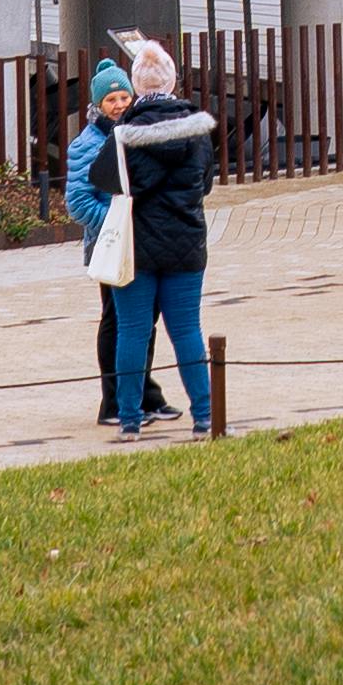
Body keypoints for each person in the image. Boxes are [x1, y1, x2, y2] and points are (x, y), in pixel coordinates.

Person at [102, 42, 220, 437]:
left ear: (135, 85)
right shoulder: (198, 130)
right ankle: (205, 416)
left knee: (132, 331)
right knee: (187, 330)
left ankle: (130, 420)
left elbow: (108, 183)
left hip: (136, 246)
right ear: (172, 81)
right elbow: (204, 184)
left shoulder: (123, 134)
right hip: (186, 240)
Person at [64, 56, 177, 428]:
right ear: (98, 104)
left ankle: (145, 393)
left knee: (145, 319)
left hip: (139, 243)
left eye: (124, 98)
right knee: (117, 321)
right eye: (111, 100)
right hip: (110, 245)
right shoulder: (88, 143)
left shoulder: (133, 134)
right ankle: (113, 400)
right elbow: (78, 202)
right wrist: (116, 224)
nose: (119, 105)